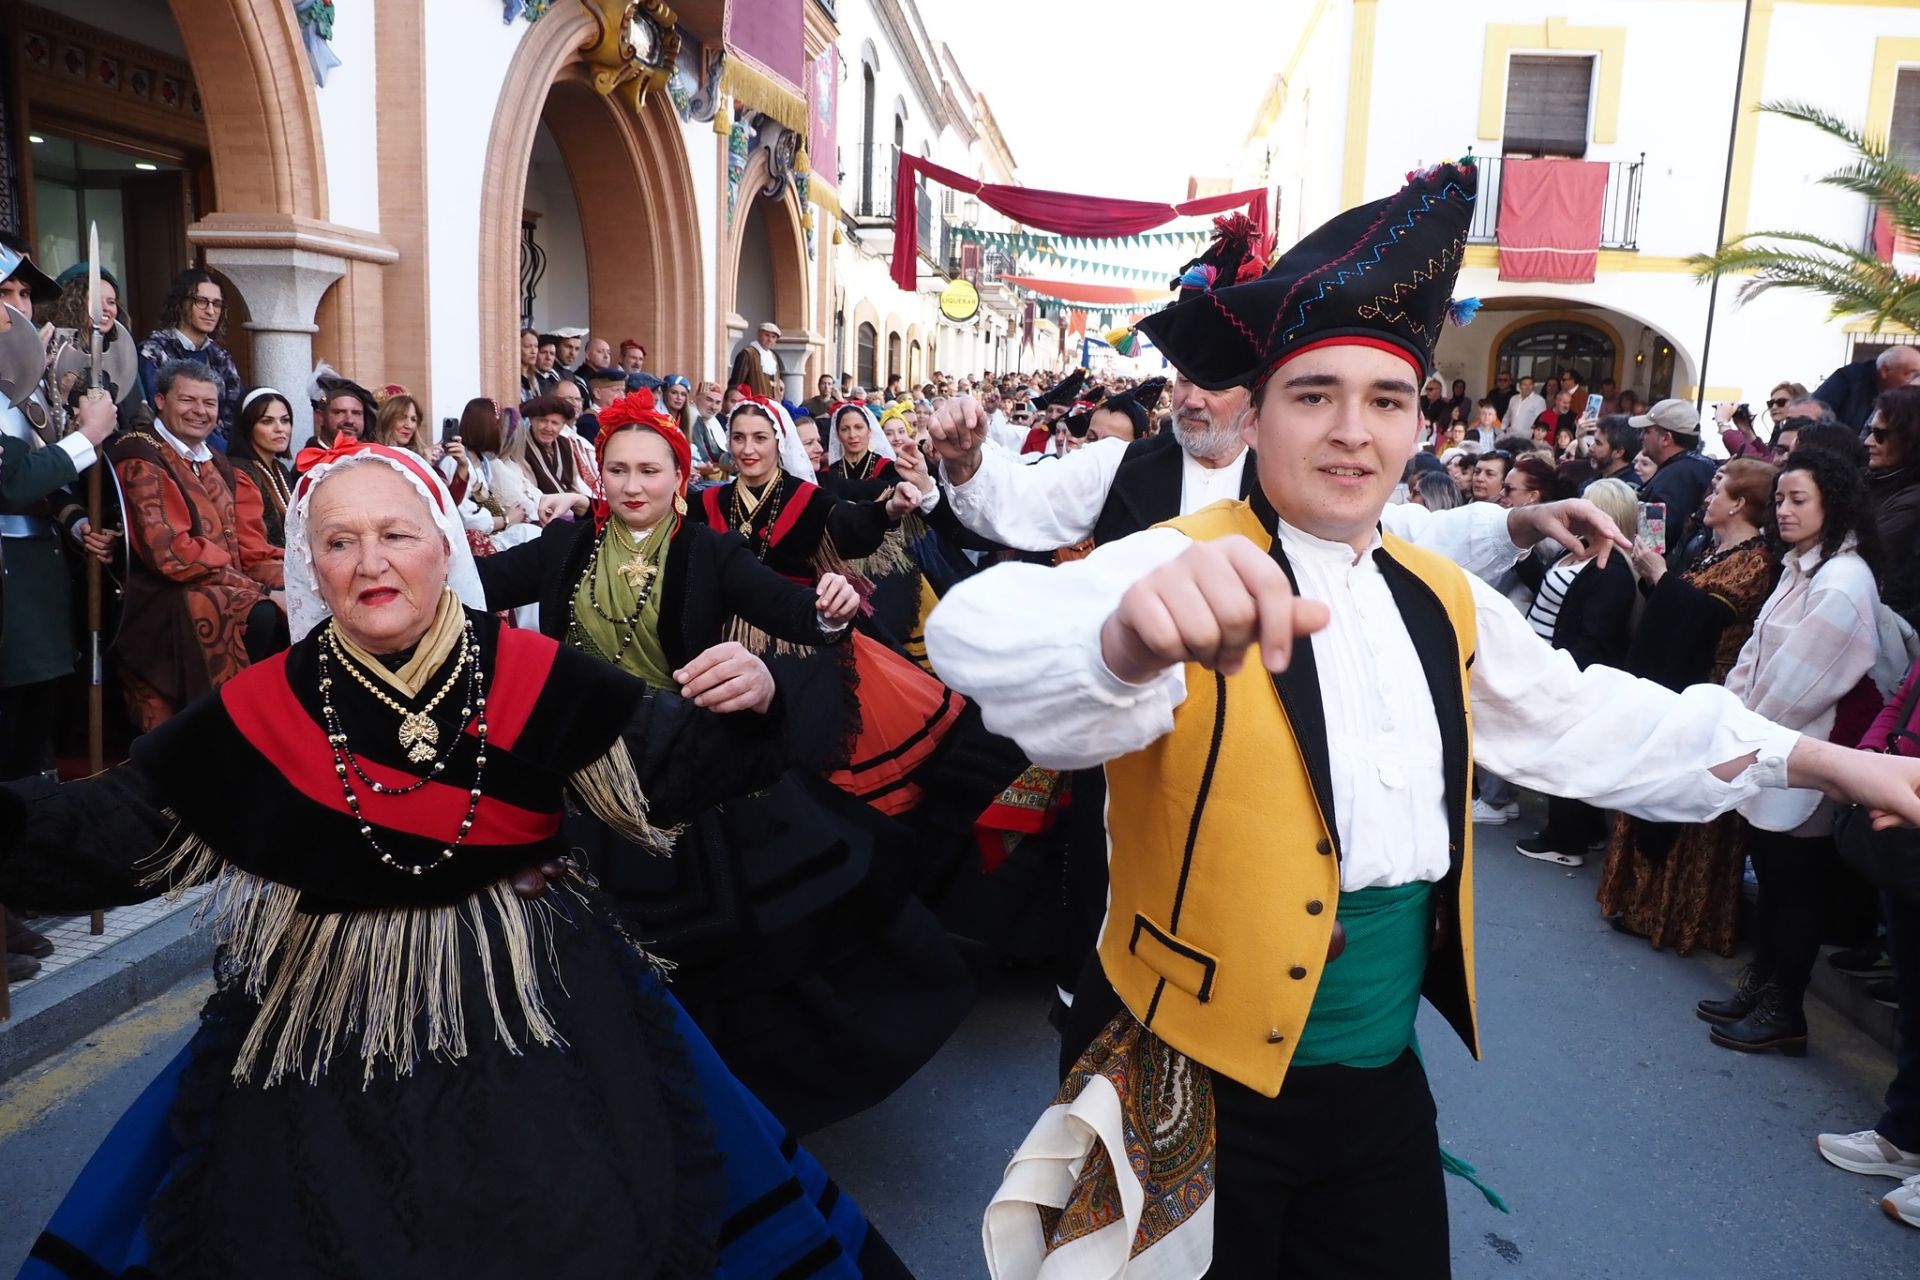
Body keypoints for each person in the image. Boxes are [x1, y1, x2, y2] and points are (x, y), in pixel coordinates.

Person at [929, 160, 1920, 1280]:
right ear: (1255, 415)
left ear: (1417, 424)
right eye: (1315, 395)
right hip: (1192, 1085)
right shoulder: (1172, 558)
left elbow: (1584, 721)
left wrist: (1823, 758)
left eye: (1387, 400)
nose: (1353, 432)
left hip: (1378, 1092)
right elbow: (982, 629)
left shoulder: (1434, 593)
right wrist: (1122, 643)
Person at [0, 440, 915, 1277]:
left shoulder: (531, 675)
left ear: (445, 547)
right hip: (326, 1023)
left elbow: (678, 768)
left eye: (395, 534)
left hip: (536, 1001)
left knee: (572, 1224)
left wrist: (754, 698)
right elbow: (112, 833)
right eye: (339, 541)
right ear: (309, 564)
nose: (370, 564)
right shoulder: (257, 713)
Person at [1703, 447, 1883, 1056]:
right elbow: (1755, 654)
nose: (1783, 509)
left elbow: (1804, 682)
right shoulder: (1801, 566)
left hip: (1803, 755)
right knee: (1776, 883)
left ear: (1832, 502)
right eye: (1779, 497)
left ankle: (1786, 1009)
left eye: (1797, 499)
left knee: (1796, 886)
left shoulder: (1843, 580)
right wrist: (1732, 714)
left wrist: (1745, 736)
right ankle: (1762, 985)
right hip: (1765, 744)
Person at [1599, 458, 1781, 953]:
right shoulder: (1711, 549)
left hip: (1712, 692)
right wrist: (1651, 576)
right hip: (1680, 687)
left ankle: (1678, 918)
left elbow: (1700, 616)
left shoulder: (1756, 559)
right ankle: (1640, 903)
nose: (1708, 495)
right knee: (1656, 797)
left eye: (1719, 487)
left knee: (1688, 803)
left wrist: (1661, 578)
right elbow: (1676, 605)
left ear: (1739, 503)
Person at [111, 360, 286, 732]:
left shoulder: (217, 464)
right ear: (159, 400)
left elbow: (249, 548)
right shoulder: (142, 457)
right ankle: (223, 730)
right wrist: (261, 592)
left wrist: (301, 579)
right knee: (263, 613)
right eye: (188, 400)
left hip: (223, 585)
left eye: (209, 403)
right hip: (161, 600)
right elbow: (170, 554)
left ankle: (269, 730)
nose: (200, 411)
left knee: (305, 606)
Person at [1816, 646, 1920, 1230]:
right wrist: (1868, 764)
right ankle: (1905, 1133)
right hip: (1905, 823)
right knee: (1915, 993)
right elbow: (1904, 697)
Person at [1511, 480, 1641, 866]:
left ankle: (1566, 841)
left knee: (1563, 755)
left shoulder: (1613, 569)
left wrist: (1558, 674)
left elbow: (1597, 636)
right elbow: (1551, 594)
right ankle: (1584, 831)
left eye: (1587, 505)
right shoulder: (1579, 551)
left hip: (1567, 675)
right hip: (1546, 663)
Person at [138, 269, 243, 444]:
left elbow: (235, 414)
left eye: (216, 304)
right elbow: (154, 413)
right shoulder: (153, 352)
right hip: (169, 450)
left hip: (221, 454)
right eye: (201, 301)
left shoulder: (221, 357)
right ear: (181, 303)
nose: (210, 311)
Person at [1635, 398, 1718, 564]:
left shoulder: (1669, 483)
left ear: (1666, 438)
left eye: (1647, 431)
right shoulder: (1699, 467)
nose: (1641, 437)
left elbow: (1651, 546)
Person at [1868, 386, 1920, 631]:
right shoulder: (1874, 480)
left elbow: (1861, 550)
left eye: (1880, 434)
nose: (1868, 441)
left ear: (1910, 438)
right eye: (1870, 431)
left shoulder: (1913, 499)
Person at [226, 389, 298, 550]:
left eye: (285, 420)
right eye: (267, 421)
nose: (280, 428)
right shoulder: (239, 471)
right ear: (248, 426)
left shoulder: (280, 469)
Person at [1812, 346, 1920, 430]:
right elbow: (1815, 413)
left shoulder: (1910, 397)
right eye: (1912, 374)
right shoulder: (1850, 379)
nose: (1915, 382)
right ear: (1885, 371)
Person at [517, 395, 597, 500]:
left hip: (569, 507)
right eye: (543, 421)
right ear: (532, 420)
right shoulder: (520, 447)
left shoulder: (566, 444)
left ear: (563, 425)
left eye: (555, 423)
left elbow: (574, 483)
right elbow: (529, 489)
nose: (548, 428)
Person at [1583, 415, 1641, 492]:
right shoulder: (1596, 477)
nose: (1591, 448)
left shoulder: (1625, 491)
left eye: (1598, 443)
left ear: (1618, 452)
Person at [371, 391, 430, 461]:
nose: (409, 426)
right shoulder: (372, 455)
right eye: (402, 418)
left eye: (413, 419)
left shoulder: (420, 458)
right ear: (387, 419)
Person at [728, 322, 782, 396]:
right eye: (767, 335)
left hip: (772, 403)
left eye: (773, 337)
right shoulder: (747, 354)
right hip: (753, 403)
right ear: (758, 335)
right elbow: (737, 383)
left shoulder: (773, 357)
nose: (770, 339)